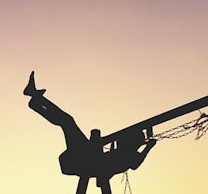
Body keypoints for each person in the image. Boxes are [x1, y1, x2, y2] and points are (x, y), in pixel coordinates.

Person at [24, 71, 156, 177]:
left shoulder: (130, 156)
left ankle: (36, 100)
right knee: (67, 121)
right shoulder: (125, 153)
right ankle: (36, 101)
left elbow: (135, 164)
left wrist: (149, 146)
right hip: (82, 158)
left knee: (67, 121)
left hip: (81, 161)